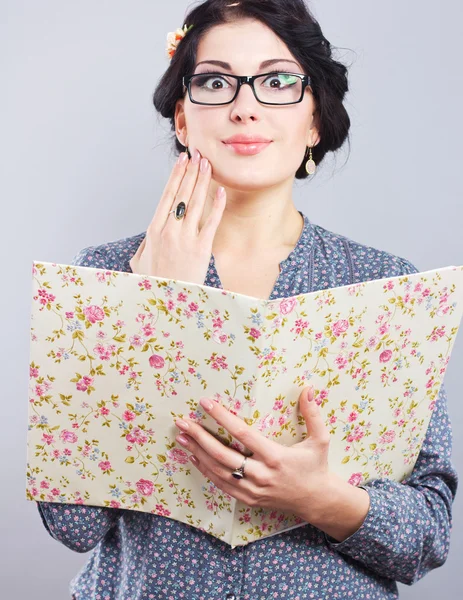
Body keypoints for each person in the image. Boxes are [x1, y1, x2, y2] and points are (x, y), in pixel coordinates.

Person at [37, 1, 457, 598]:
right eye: (214, 81)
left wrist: (322, 498)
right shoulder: (106, 273)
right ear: (183, 118)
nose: (245, 104)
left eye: (278, 80)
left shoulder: (385, 286)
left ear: (315, 119)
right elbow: (72, 524)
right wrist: (158, 305)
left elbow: (430, 534)